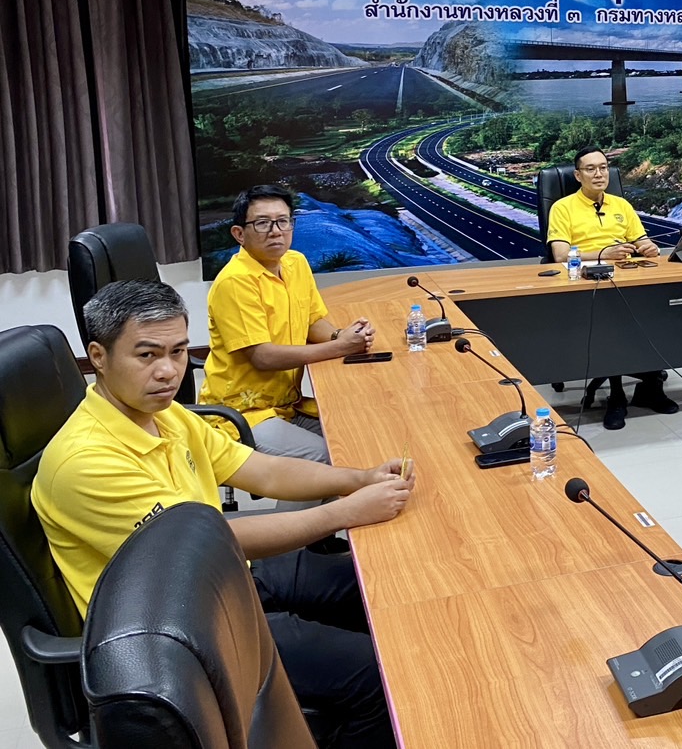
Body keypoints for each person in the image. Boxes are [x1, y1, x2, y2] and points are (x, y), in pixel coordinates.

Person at [33, 281, 413, 749]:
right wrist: (345, 512)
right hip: (181, 626)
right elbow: (201, 551)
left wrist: (358, 480)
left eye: (177, 352)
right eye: (147, 355)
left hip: (223, 579)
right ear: (98, 356)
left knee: (372, 584)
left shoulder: (163, 414)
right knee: (378, 677)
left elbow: (262, 471)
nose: (168, 371)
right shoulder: (86, 462)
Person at [200, 184, 375, 462]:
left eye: (283, 221)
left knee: (360, 432)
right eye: (262, 223)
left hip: (289, 404)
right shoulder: (235, 282)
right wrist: (341, 347)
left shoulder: (296, 263)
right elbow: (263, 357)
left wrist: (342, 335)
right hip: (243, 414)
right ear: (239, 234)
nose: (276, 231)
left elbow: (311, 321)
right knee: (330, 456)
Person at [546, 146, 673, 429]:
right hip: (588, 282)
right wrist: (604, 253)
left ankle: (650, 387)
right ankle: (616, 397)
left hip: (628, 275)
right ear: (577, 175)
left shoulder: (621, 205)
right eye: (590, 169)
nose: (599, 174)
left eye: (603, 167)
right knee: (612, 321)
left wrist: (648, 247)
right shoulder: (562, 208)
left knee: (661, 311)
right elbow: (560, 255)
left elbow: (640, 239)